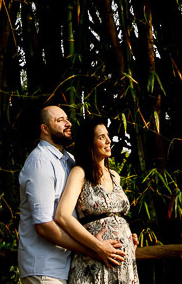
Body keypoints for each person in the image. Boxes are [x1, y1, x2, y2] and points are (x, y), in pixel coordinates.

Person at [18, 106, 125, 284]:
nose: (68, 124)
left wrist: (120, 234)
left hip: (67, 266)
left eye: (67, 119)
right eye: (59, 120)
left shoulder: (70, 160)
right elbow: (44, 225)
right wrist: (93, 248)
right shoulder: (40, 162)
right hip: (45, 268)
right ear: (44, 129)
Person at [54, 119, 140, 284]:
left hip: (123, 260)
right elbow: (62, 215)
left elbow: (115, 216)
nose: (108, 141)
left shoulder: (115, 176)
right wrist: (96, 246)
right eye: (102, 137)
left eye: (108, 136)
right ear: (89, 143)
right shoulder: (80, 173)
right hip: (94, 258)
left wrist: (127, 235)